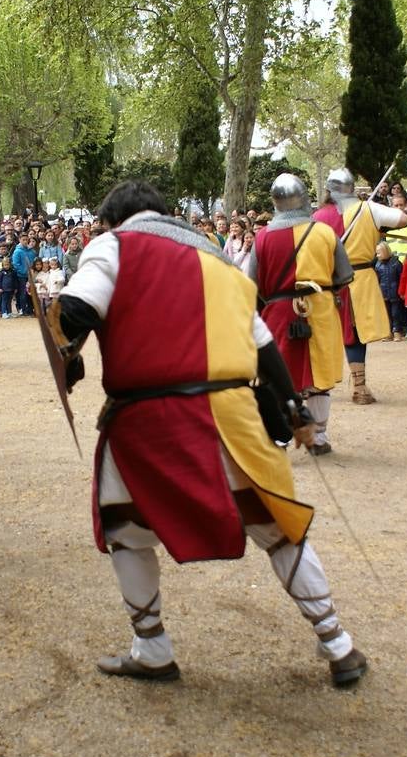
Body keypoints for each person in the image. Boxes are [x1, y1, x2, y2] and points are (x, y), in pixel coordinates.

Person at [49, 179, 367, 688]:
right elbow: (263, 345)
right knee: (280, 528)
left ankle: (151, 647)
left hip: (148, 423)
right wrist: (295, 414)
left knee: (124, 530)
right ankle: (338, 644)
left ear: (114, 220)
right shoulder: (218, 259)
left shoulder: (112, 246)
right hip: (235, 416)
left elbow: (73, 313)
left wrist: (67, 353)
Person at [248, 174, 353, 455]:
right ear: (304, 198)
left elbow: (252, 285)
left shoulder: (262, 238)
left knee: (276, 375)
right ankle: (317, 438)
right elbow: (344, 275)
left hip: (277, 313)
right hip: (319, 308)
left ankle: (278, 438)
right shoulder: (324, 233)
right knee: (319, 377)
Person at [314, 169, 404, 405]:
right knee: (354, 335)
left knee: (324, 334)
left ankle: (315, 384)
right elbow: (402, 219)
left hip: (326, 282)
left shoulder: (317, 216)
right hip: (357, 279)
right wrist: (379, 227)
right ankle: (360, 388)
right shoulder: (368, 209)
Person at [374, 241, 404, 337]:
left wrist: (401, 291)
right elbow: (377, 279)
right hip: (383, 292)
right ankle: (388, 331)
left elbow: (402, 278)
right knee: (386, 313)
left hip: (395, 292)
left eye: (379, 253)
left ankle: (397, 330)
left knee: (396, 313)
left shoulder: (396, 263)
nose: (377, 255)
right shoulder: (378, 265)